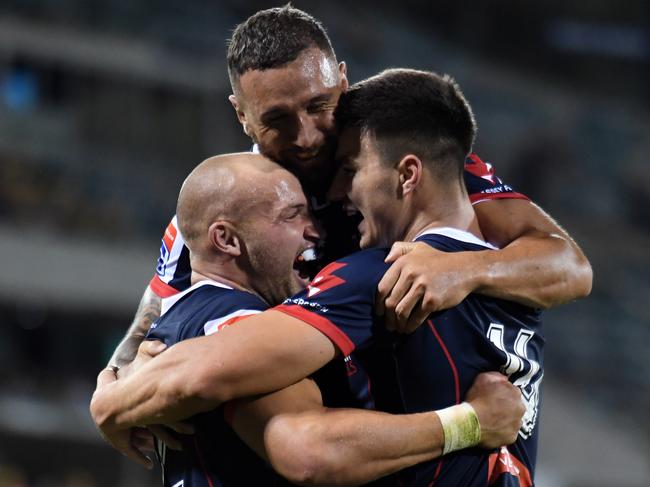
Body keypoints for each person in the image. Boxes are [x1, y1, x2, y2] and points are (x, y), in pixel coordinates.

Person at [91, 69, 545, 486]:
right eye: (293, 214)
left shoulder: (383, 276)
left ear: (408, 175)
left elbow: (220, 384)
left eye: (350, 169)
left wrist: (115, 398)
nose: (335, 197)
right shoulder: (520, 286)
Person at [101, 5, 591, 373]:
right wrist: (117, 378)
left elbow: (568, 266)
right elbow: (157, 307)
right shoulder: (222, 206)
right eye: (277, 119)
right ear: (240, 115)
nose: (308, 135)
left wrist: (465, 268)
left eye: (319, 105)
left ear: (342, 80)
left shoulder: (402, 153)